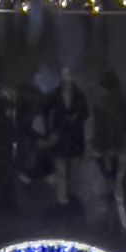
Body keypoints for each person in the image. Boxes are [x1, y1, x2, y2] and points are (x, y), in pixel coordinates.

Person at [43, 67, 90, 206]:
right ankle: (62, 198)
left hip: (75, 136)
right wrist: (50, 131)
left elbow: (85, 114)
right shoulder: (54, 95)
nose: (66, 78)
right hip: (60, 136)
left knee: (74, 171)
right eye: (64, 75)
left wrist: (76, 117)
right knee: (61, 169)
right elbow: (45, 112)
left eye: (68, 75)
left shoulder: (79, 95)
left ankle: (71, 195)